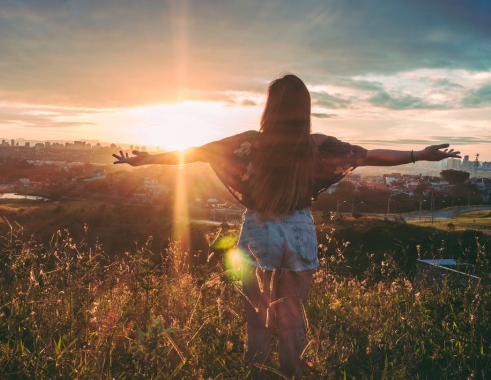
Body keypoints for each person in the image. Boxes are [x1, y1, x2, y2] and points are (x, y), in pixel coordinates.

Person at [112, 74, 461, 378]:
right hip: (298, 230)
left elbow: (196, 152)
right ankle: (292, 373)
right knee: (293, 315)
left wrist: (144, 160)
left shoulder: (250, 142)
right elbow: (367, 154)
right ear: (304, 109)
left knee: (257, 319)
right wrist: (420, 155)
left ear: (270, 107)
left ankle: (259, 375)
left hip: (259, 231)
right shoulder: (317, 144)